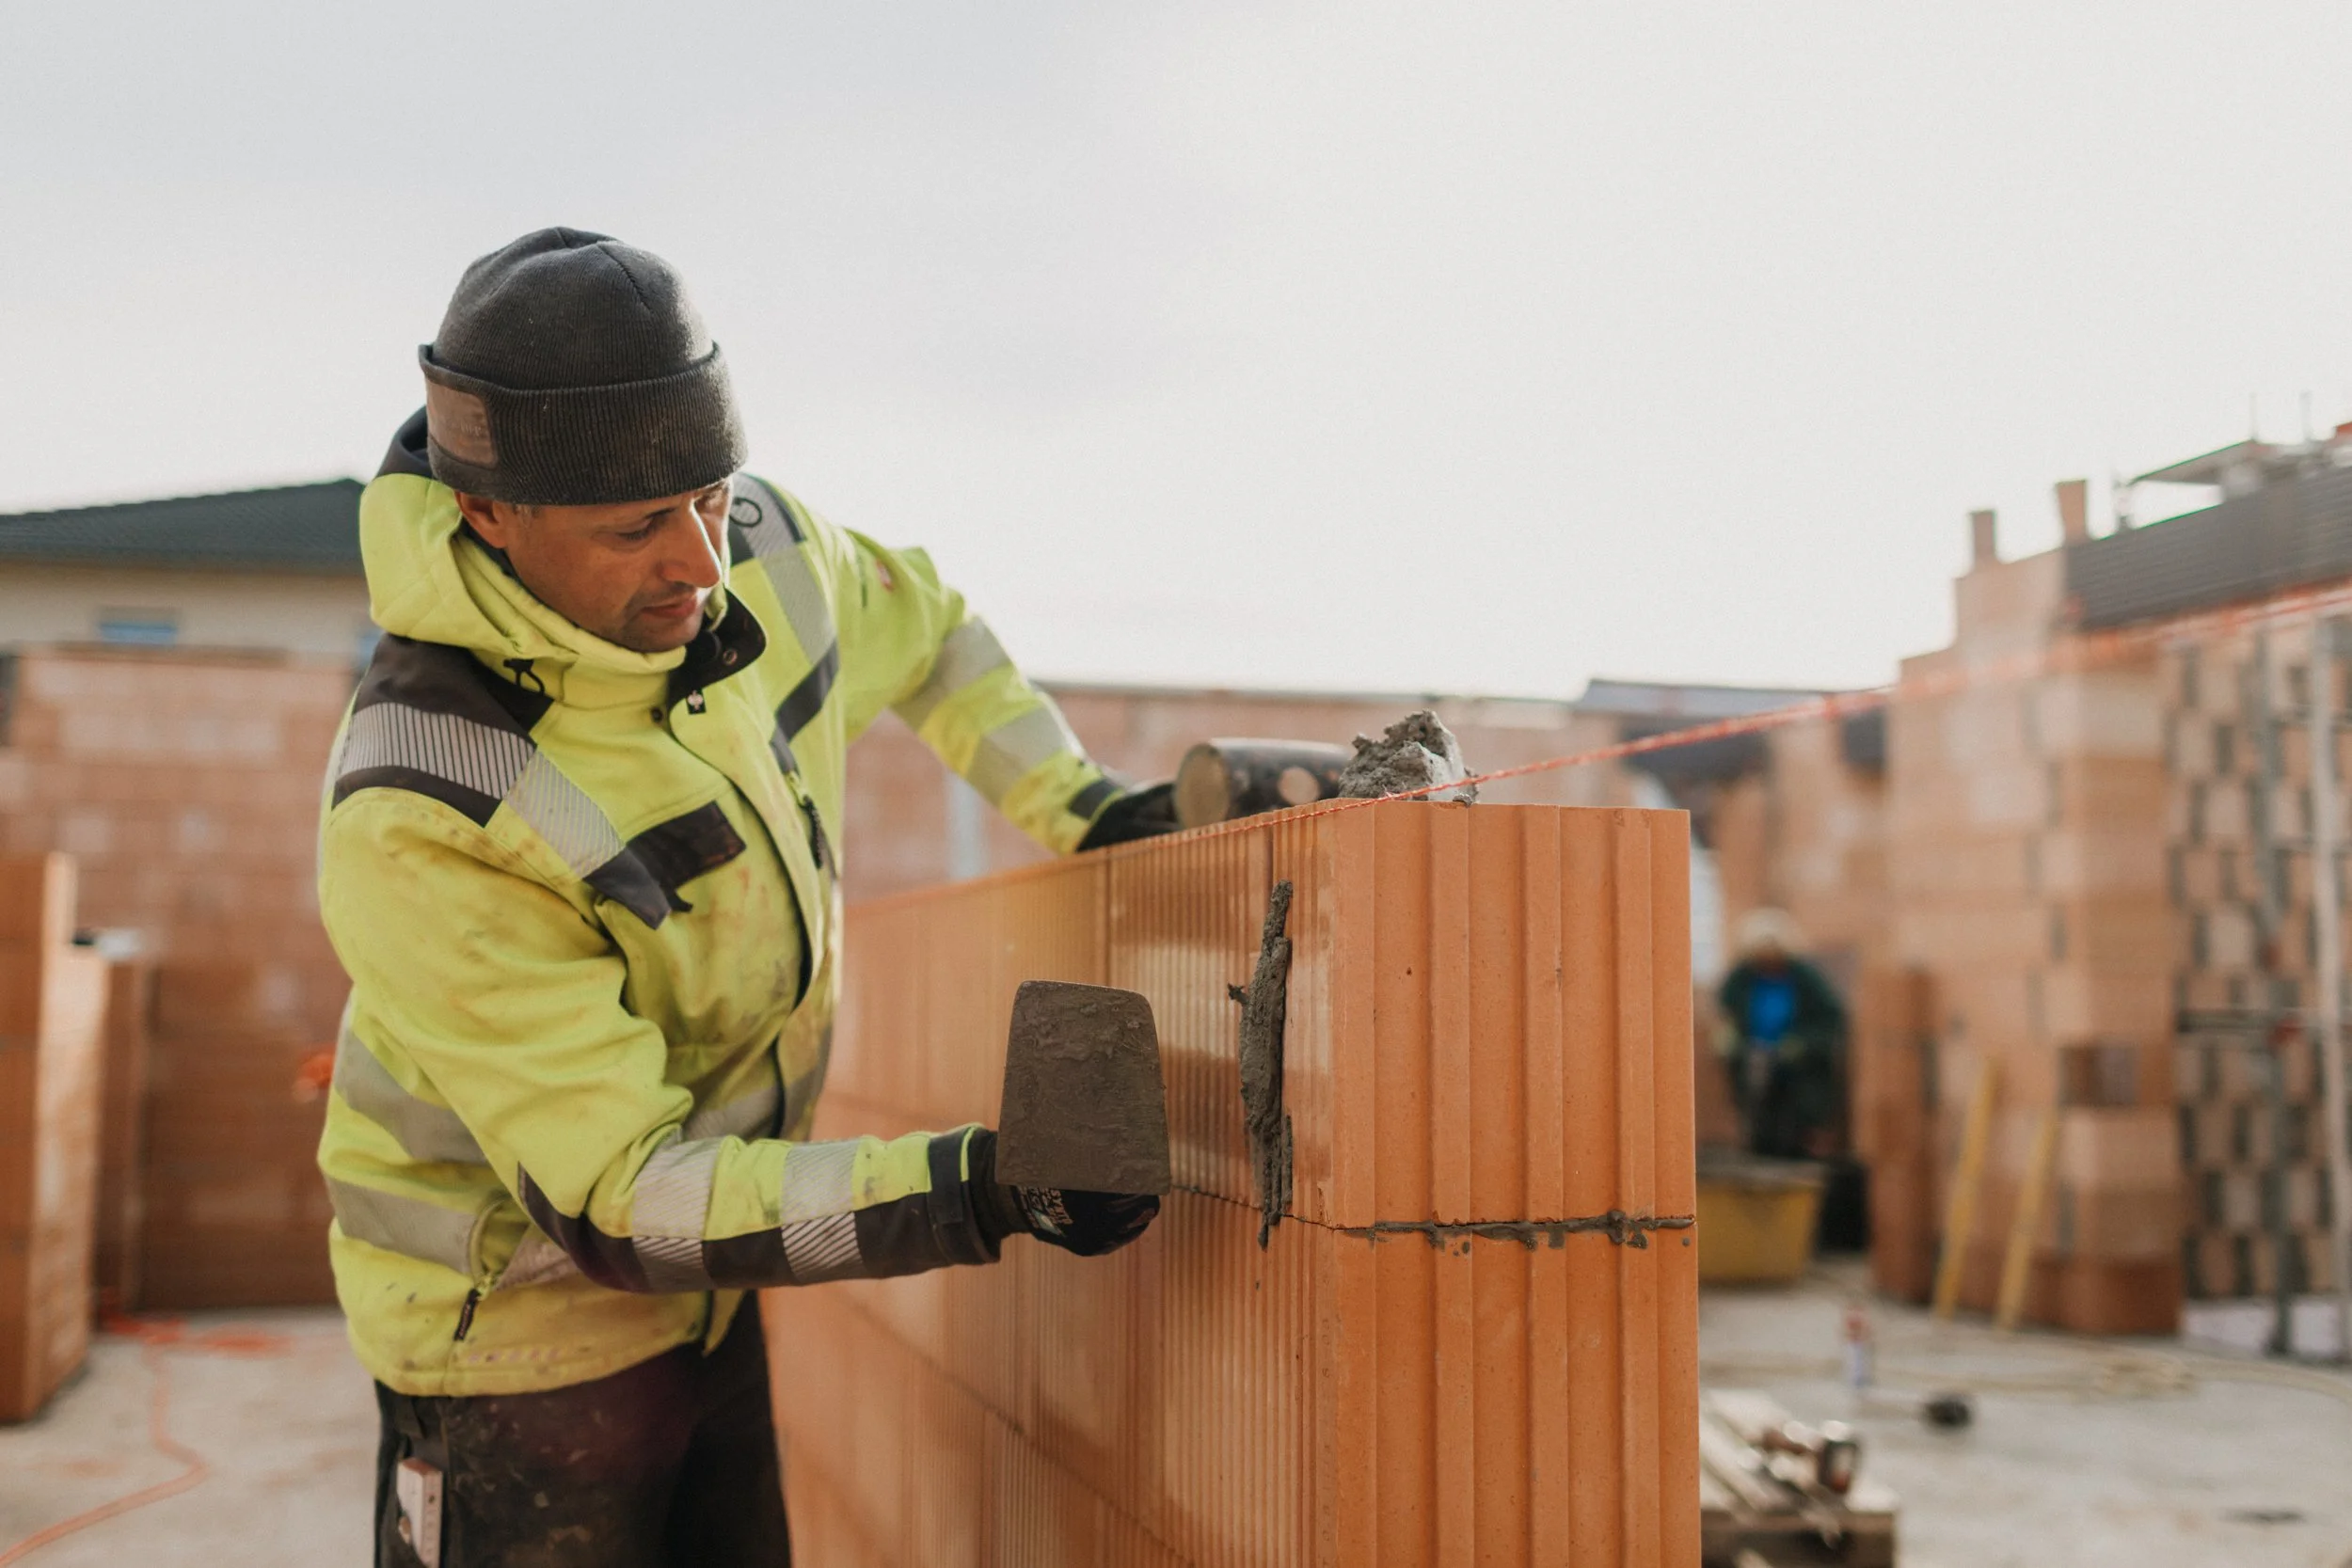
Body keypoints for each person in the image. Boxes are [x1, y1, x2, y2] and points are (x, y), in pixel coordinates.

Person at [315, 228, 1182, 1567]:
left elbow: (932, 631)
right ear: (490, 513)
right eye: (635, 527)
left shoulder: (762, 554)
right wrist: (976, 1186)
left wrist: (1086, 804)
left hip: (706, 1299)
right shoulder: (431, 799)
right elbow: (622, 1197)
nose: (701, 562)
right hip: (515, 1349)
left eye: (711, 497)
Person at [1715, 908, 1848, 1161]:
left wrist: (1802, 1044)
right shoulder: (1741, 979)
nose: (1767, 963)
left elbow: (1829, 1019)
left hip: (1797, 1066)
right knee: (1759, 1114)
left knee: (1796, 1122)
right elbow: (1726, 1014)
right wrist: (1729, 1038)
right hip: (1755, 1059)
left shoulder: (1806, 979)